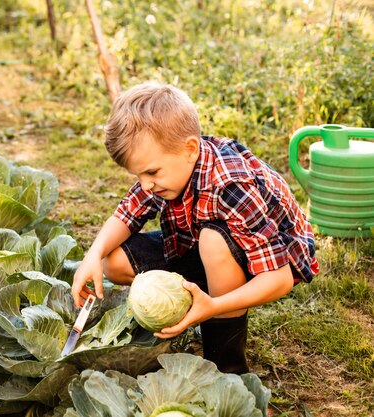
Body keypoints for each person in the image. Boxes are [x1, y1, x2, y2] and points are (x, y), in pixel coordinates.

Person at [71, 82, 319, 374]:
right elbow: (128, 213)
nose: (146, 183)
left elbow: (278, 279)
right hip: (204, 242)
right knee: (111, 262)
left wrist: (214, 306)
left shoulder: (231, 185)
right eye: (138, 174)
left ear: (190, 149)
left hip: (270, 262)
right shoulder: (169, 165)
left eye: (150, 172)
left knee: (213, 241)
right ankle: (207, 294)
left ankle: (228, 366)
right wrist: (92, 254)